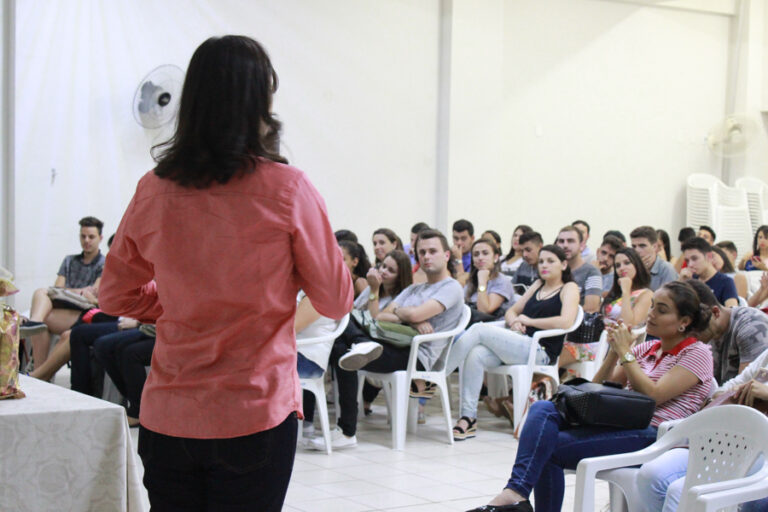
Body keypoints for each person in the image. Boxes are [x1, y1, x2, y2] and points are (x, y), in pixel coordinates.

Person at [97, 36, 353, 511]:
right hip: (254, 409)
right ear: (261, 101)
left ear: (191, 100)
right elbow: (336, 299)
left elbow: (113, 294)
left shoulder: (153, 190)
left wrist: (175, 301)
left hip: (170, 410)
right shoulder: (288, 188)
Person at [467, 281, 714, 512]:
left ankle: (516, 495)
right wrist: (614, 353)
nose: (651, 314)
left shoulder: (697, 353)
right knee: (542, 408)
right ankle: (516, 492)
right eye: (652, 307)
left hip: (656, 435)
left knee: (549, 447)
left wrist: (626, 353)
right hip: (623, 422)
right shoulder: (646, 348)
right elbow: (596, 390)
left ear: (683, 321)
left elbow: (654, 395)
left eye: (661, 310)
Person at [311, 229, 463, 450]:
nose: (426, 256)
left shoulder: (452, 288)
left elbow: (412, 314)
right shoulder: (414, 288)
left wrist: (409, 315)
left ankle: (344, 431)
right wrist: (411, 317)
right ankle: (345, 431)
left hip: (417, 356)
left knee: (343, 336)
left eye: (432, 251)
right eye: (422, 252)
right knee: (342, 347)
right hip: (398, 345)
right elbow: (381, 315)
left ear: (446, 255)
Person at [446, 245, 580, 440]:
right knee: (476, 354)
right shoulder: (537, 285)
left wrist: (530, 321)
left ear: (564, 264)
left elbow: (566, 321)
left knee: (479, 329)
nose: (544, 265)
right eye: (541, 261)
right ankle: (468, 418)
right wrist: (515, 321)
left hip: (541, 351)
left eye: (551, 261)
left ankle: (439, 374)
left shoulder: (569, 288)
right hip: (521, 343)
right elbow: (512, 311)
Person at [637, 346, 768, 512]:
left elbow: (654, 394)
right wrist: (734, 392)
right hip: (724, 439)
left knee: (681, 491)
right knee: (651, 475)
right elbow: (725, 388)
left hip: (759, 452)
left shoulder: (697, 352)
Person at [20, 216, 105, 366]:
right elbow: (56, 289)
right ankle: (35, 324)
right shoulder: (69, 260)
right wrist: (79, 290)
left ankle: (39, 371)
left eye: (91, 237)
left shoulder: (104, 263)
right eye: (83, 236)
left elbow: (92, 295)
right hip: (62, 305)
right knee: (41, 293)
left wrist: (68, 290)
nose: (86, 240)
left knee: (43, 320)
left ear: (100, 238)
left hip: (83, 312)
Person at [560, 248, 652, 370]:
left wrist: (626, 291)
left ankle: (542, 383)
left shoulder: (646, 294)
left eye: (627, 263)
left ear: (637, 265)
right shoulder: (614, 294)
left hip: (616, 346)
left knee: (564, 352)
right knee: (559, 347)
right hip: (596, 339)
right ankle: (544, 383)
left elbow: (629, 323)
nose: (622, 268)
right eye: (618, 265)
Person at [687, 279, 768, 385]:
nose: (689, 336)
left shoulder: (752, 326)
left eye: (694, 329)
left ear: (715, 312)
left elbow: (745, 389)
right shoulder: (708, 330)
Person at [464, 238, 516, 323]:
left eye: (485, 253)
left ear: (495, 257)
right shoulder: (472, 280)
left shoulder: (501, 281)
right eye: (476, 254)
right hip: (472, 325)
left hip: (495, 327)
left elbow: (484, 311)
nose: (480, 258)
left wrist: (482, 282)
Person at [680, 237, 738, 307]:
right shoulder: (689, 280)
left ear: (709, 257)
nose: (690, 265)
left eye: (694, 259)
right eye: (687, 261)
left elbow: (732, 312)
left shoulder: (725, 282)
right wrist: (681, 283)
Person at [555, 225, 602, 314]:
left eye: (570, 241)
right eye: (561, 241)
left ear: (581, 246)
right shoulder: (554, 270)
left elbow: (591, 308)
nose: (565, 245)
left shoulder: (591, 272)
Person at [631, 226, 678, 291]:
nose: (637, 250)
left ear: (655, 247)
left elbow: (668, 299)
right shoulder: (631, 267)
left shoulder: (666, 269)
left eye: (642, 246)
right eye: (634, 246)